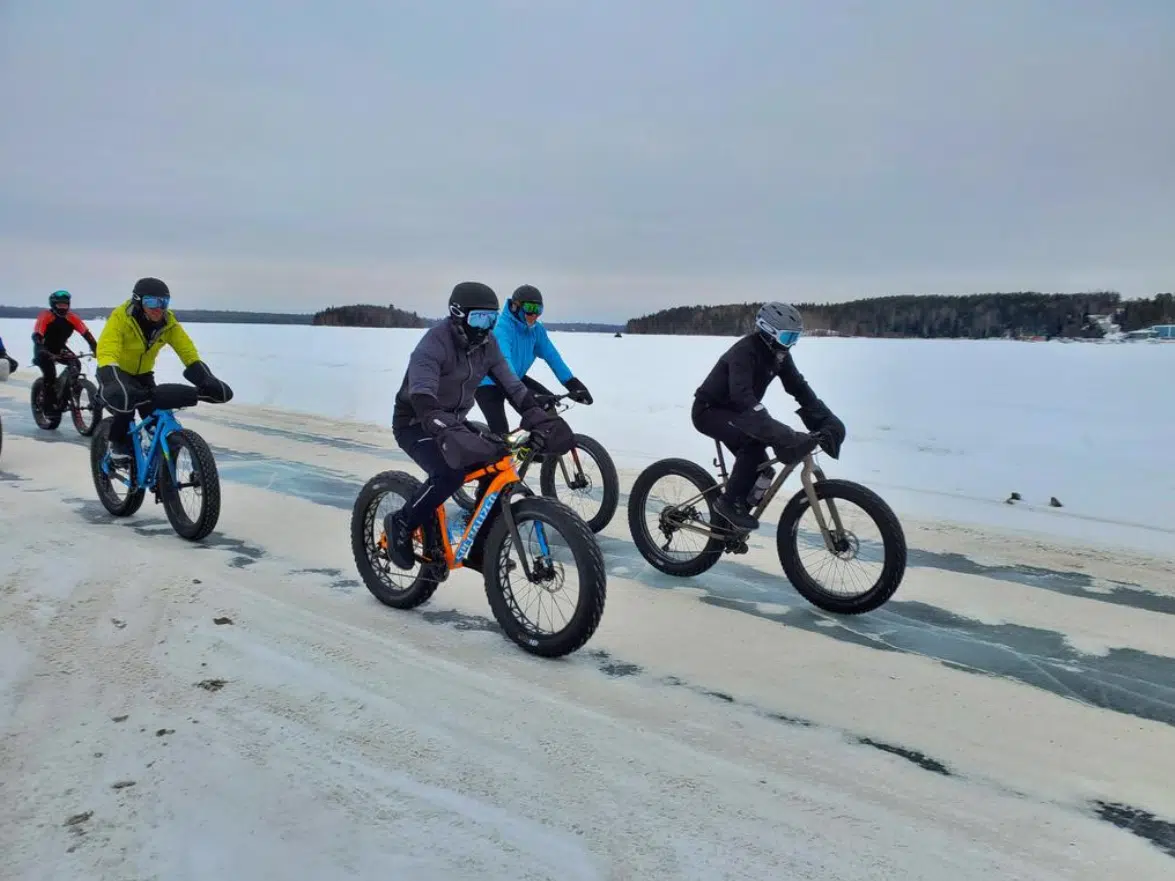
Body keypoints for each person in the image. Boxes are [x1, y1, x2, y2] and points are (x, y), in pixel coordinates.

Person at [385, 281, 568, 570]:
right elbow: (422, 398)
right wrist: (442, 427)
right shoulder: (433, 344)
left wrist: (536, 414)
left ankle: (481, 546)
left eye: (491, 319)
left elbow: (512, 386)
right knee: (449, 474)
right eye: (478, 318)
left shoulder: (487, 345)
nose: (485, 327)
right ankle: (402, 522)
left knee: (496, 460)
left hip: (455, 421)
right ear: (458, 314)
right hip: (416, 422)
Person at [692, 301, 846, 531]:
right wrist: (781, 433)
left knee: (763, 467)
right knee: (752, 443)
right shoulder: (744, 352)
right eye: (787, 338)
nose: (791, 345)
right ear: (768, 330)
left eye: (796, 338)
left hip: (738, 411)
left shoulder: (779, 355)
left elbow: (799, 388)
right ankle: (729, 504)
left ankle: (729, 525)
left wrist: (824, 418)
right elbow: (742, 397)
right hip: (709, 410)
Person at [95, 277, 232, 463]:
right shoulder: (121, 318)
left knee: (153, 415)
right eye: (152, 302)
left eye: (164, 302)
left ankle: (159, 468)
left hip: (143, 374)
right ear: (138, 301)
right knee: (125, 411)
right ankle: (116, 444)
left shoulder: (168, 324)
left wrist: (205, 379)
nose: (158, 308)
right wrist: (112, 379)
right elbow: (107, 348)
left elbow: (187, 351)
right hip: (117, 372)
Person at [474, 284, 593, 435]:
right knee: (500, 434)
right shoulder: (502, 328)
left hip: (515, 378)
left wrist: (572, 383)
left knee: (547, 407)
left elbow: (553, 357)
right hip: (487, 382)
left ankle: (540, 451)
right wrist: (526, 395)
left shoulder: (536, 330)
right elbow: (504, 362)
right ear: (516, 307)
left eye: (538, 310)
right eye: (530, 308)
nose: (534, 314)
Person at [31, 290, 98, 413]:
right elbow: (37, 334)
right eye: (60, 305)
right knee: (50, 375)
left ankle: (65, 392)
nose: (63, 308)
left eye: (65, 305)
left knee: (76, 364)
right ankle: (47, 405)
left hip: (59, 347)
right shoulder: (46, 316)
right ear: (53, 305)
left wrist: (95, 347)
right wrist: (40, 348)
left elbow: (86, 334)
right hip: (43, 348)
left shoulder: (72, 318)